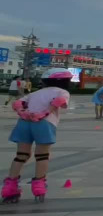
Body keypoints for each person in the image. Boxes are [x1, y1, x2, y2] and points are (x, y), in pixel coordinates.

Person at [2, 68, 72, 203]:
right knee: (42, 156)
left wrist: (23, 113)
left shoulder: (35, 93)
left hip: (24, 123)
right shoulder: (62, 91)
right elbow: (59, 101)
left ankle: (9, 187)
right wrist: (44, 113)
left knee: (21, 155)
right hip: (44, 123)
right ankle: (39, 186)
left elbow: (17, 103)